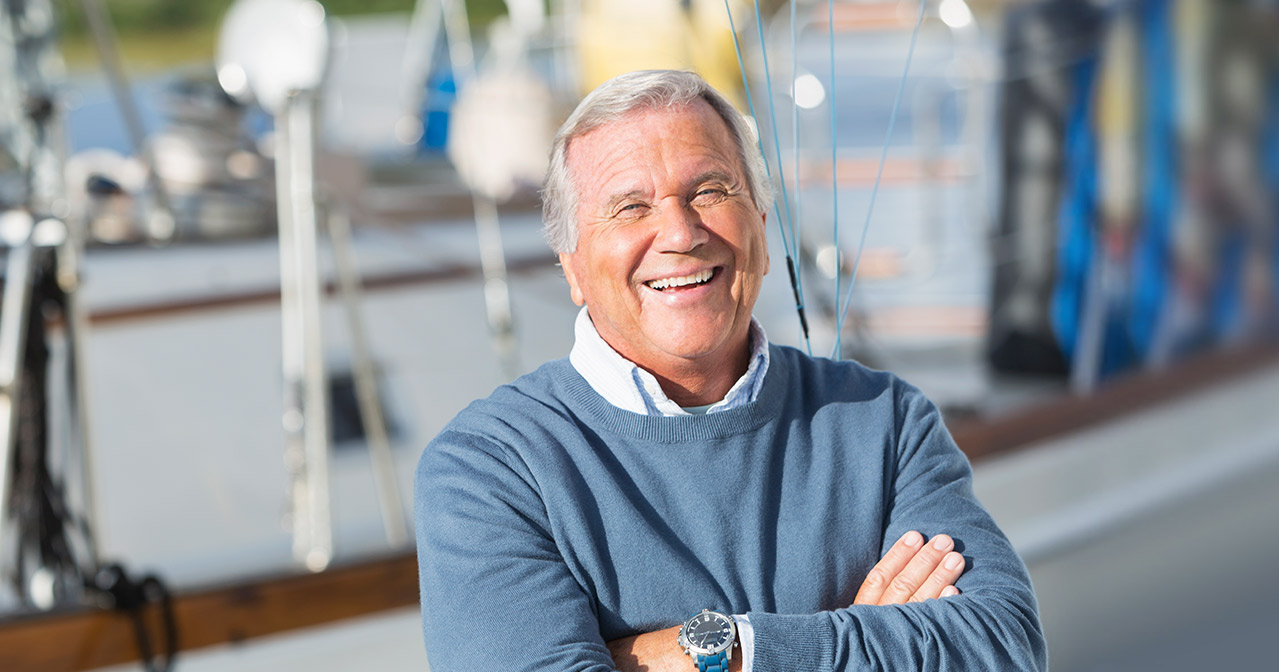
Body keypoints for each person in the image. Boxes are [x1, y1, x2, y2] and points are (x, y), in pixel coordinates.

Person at [415, 70, 1046, 671]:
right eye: (631, 207)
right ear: (573, 267)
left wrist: (729, 651)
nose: (680, 233)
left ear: (763, 230)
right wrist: (862, 640)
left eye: (709, 192)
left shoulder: (885, 421)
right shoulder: (491, 470)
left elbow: (1005, 646)